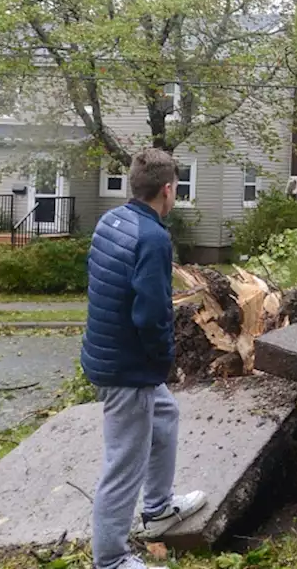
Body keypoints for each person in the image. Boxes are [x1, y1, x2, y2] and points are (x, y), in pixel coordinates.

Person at [81, 149, 205, 569]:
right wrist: (162, 361)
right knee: (124, 463)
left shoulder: (111, 222)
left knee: (165, 414)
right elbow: (151, 313)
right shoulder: (152, 239)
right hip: (126, 368)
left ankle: (158, 509)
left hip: (105, 353)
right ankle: (111, 559)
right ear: (168, 190)